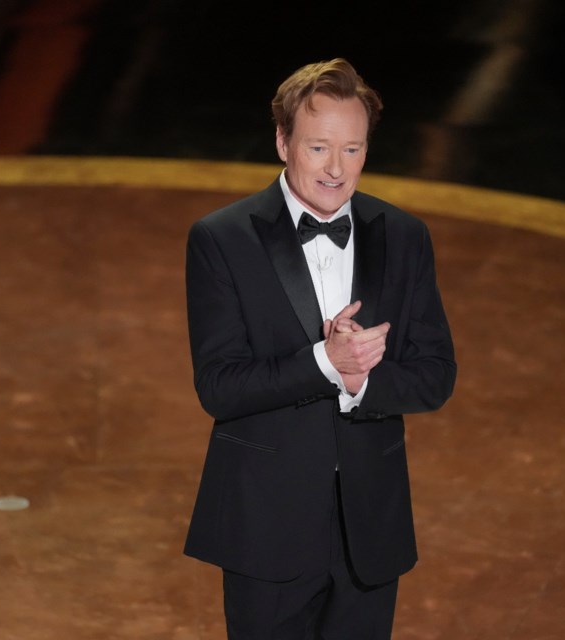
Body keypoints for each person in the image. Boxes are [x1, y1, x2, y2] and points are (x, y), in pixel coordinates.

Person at [183, 58, 457, 639]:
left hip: (370, 531)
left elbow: (435, 375)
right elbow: (220, 387)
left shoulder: (405, 236)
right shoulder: (222, 239)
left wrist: (362, 381)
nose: (337, 169)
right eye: (318, 148)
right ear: (283, 142)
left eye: (353, 149)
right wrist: (324, 363)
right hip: (266, 527)